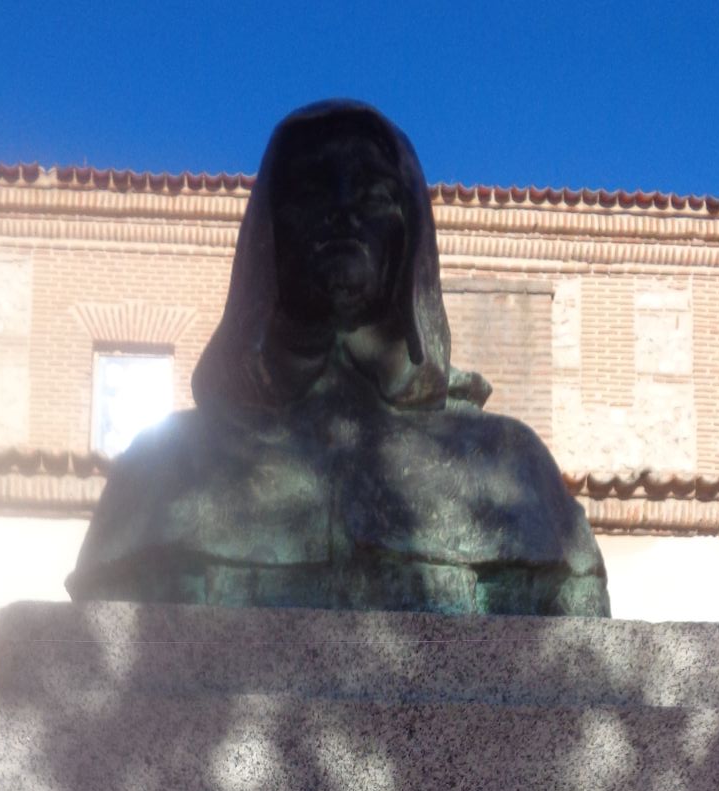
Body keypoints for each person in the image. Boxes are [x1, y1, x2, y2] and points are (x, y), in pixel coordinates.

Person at [67, 100, 610, 618]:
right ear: (270, 236)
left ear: (409, 236)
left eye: (374, 194)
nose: (343, 212)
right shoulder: (160, 472)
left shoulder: (510, 466)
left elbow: (584, 651)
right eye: (311, 192)